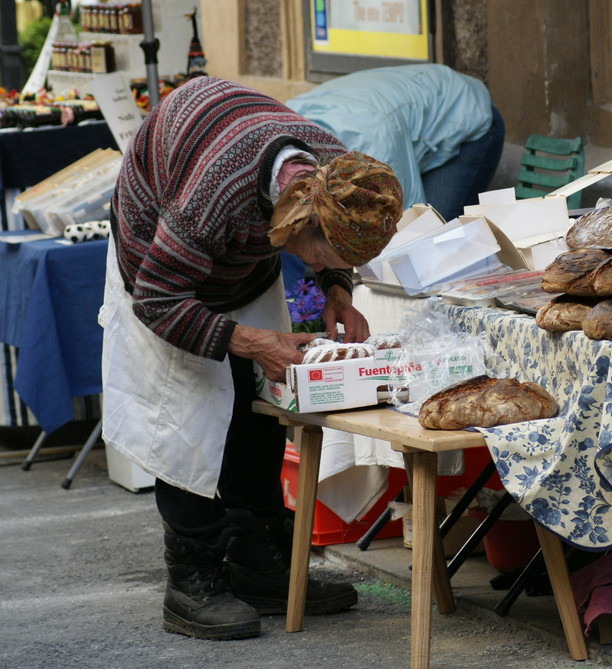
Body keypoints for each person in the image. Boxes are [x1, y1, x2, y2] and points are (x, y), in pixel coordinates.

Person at [99, 76, 403, 640]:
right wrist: (252, 341)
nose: (330, 264)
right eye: (325, 256)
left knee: (254, 408)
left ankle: (262, 569)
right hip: (157, 270)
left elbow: (334, 248)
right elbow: (158, 300)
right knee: (187, 419)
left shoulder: (340, 176)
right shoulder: (215, 195)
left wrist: (337, 287)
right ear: (297, 223)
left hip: (237, 255)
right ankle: (193, 583)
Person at [286, 63, 505, 222]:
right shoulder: (286, 124)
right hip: (400, 113)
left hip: (465, 113)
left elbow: (408, 220)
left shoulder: (376, 147)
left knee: (430, 233)